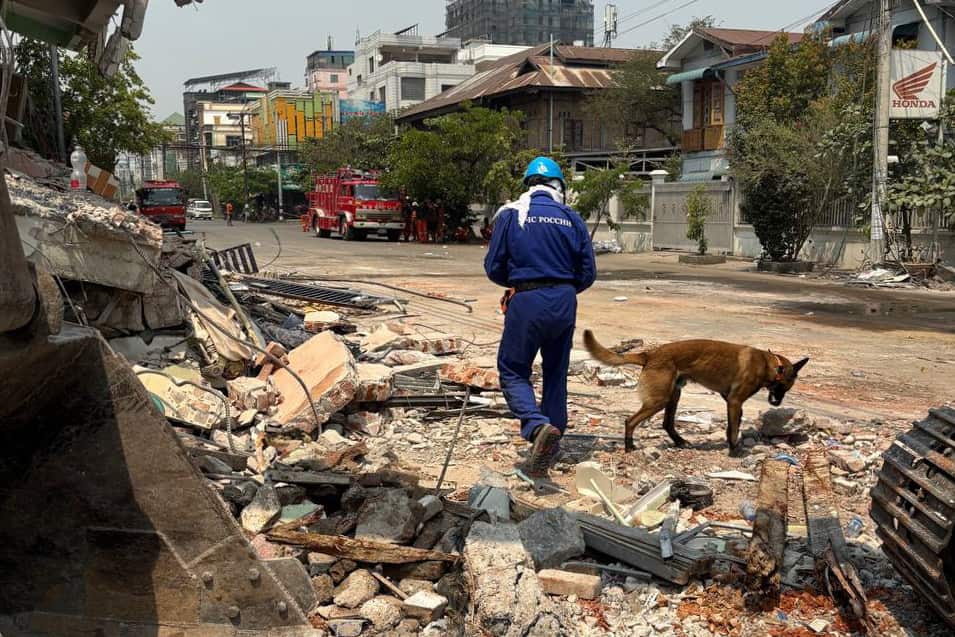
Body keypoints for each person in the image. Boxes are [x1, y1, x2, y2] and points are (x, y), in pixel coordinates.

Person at [484, 156, 596, 476]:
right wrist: (561, 289)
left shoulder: (511, 215)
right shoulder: (571, 217)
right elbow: (587, 272)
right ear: (559, 185)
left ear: (528, 185)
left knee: (513, 369)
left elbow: (493, 267)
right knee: (556, 372)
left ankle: (536, 428)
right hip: (564, 300)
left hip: (526, 299)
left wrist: (521, 282)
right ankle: (553, 439)